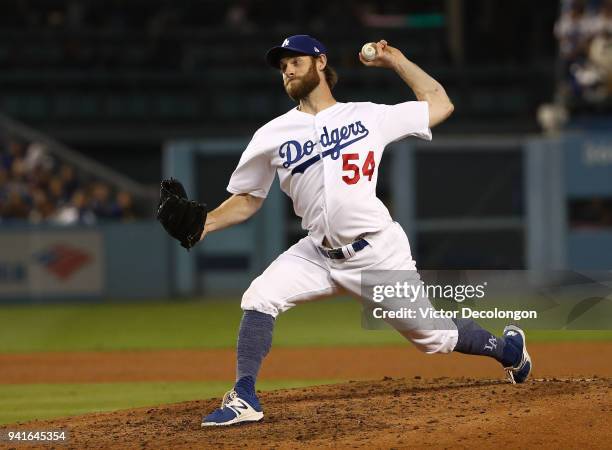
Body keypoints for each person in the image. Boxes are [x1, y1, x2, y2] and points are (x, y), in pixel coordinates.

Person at [199, 35, 532, 427]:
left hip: (377, 254)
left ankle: (509, 349)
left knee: (434, 338)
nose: (287, 69)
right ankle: (244, 396)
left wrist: (396, 60)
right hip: (317, 254)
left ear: (320, 62)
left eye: (295, 60)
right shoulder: (271, 134)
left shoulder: (367, 115)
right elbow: (248, 198)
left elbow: (441, 104)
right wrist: (205, 224)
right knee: (259, 296)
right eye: (282, 65)